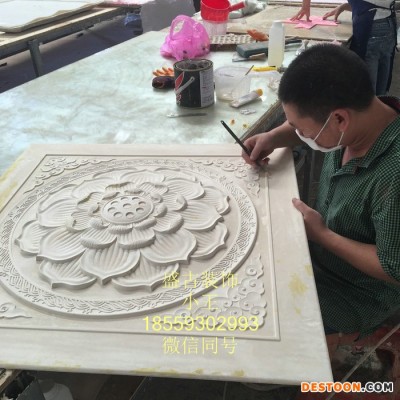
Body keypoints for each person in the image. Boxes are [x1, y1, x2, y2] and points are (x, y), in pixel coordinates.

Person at [242, 44, 400, 338]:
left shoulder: (393, 175)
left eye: (304, 131)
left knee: (263, 312)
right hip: (319, 254)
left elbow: (393, 268)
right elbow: (311, 125)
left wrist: (322, 235)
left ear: (340, 119)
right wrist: (274, 136)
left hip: (357, 291)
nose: (302, 136)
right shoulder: (361, 116)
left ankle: (330, 351)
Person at [291, 0, 397, 96]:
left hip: (372, 29)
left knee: (366, 95)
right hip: (389, 27)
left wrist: (305, 6)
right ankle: (381, 116)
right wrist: (345, 6)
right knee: (381, 95)